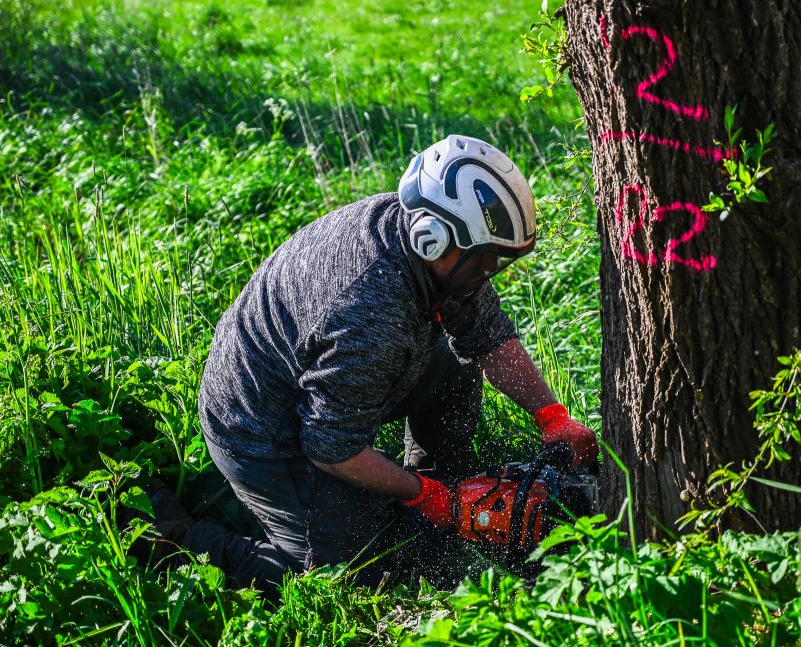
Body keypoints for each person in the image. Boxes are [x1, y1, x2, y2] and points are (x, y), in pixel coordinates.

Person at [147, 135, 598, 596]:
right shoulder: (368, 313)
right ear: (433, 239)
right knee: (349, 576)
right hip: (263, 429)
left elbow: (487, 336)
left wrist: (552, 417)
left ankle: (435, 495)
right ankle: (173, 533)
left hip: (329, 390)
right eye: (485, 261)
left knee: (455, 364)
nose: (491, 273)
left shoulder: (426, 249)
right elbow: (330, 446)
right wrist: (427, 496)